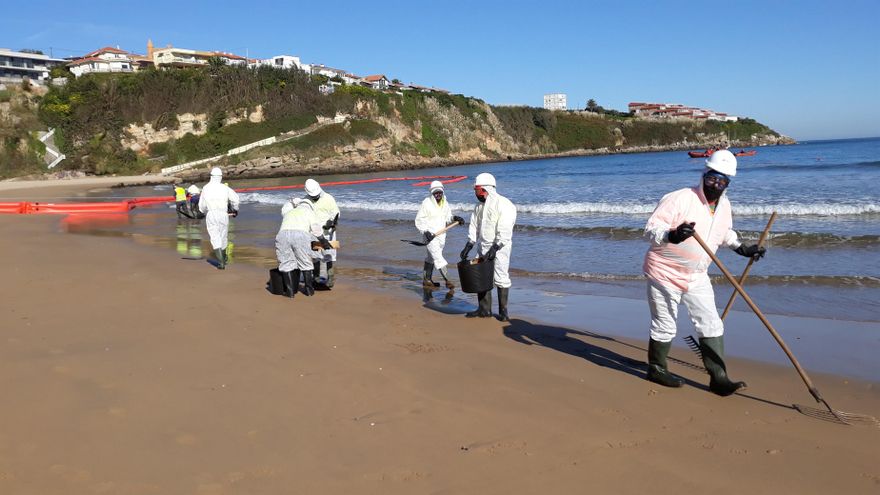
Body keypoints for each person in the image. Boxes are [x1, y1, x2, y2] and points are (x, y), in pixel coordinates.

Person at [642, 149, 767, 396]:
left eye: (722, 181)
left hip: (697, 275)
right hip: (664, 272)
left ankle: (719, 378)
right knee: (665, 324)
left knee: (711, 323)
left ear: (728, 183)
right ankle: (656, 369)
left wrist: (741, 247)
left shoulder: (724, 206)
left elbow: (723, 232)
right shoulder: (679, 198)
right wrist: (672, 235)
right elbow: (650, 229)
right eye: (712, 178)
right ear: (704, 173)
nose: (715, 184)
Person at [459, 173, 517, 321]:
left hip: (500, 248)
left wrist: (496, 248)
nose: (475, 193)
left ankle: (503, 312)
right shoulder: (479, 207)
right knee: (481, 276)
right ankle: (484, 310)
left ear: (485, 189)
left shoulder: (504, 204)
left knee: (501, 277)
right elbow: (474, 226)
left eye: (476, 190)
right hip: (483, 247)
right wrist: (469, 243)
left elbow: (505, 230)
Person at [415, 180, 465, 289]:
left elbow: (448, 217)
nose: (438, 195)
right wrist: (425, 231)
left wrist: (455, 218)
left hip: (441, 236)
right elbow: (419, 220)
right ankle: (448, 281)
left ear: (442, 192)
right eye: (436, 193)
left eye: (440, 192)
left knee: (430, 258)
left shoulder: (445, 202)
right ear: (432, 193)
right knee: (438, 257)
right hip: (430, 237)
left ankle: (427, 280)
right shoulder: (426, 203)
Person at [275, 198, 330, 297]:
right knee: (305, 262)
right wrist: (323, 241)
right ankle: (309, 291)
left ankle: (290, 292)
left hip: (282, 235)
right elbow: (316, 229)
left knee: (286, 263)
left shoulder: (290, 211)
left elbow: (284, 208)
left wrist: (292, 201)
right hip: (300, 235)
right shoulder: (309, 212)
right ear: (310, 206)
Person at [198, 167, 240, 270]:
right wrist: (235, 209)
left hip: (211, 214)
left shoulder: (206, 188)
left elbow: (202, 205)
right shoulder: (225, 188)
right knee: (223, 237)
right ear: (220, 177)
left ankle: (221, 262)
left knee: (215, 237)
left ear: (211, 176)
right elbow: (236, 199)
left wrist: (202, 212)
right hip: (223, 214)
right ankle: (224, 259)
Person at [304, 178, 340, 288]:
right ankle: (315, 277)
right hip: (314, 233)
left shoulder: (329, 198)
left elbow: (336, 213)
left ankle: (330, 278)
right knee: (315, 256)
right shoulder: (306, 201)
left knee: (329, 255)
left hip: (328, 232)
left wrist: (332, 222)